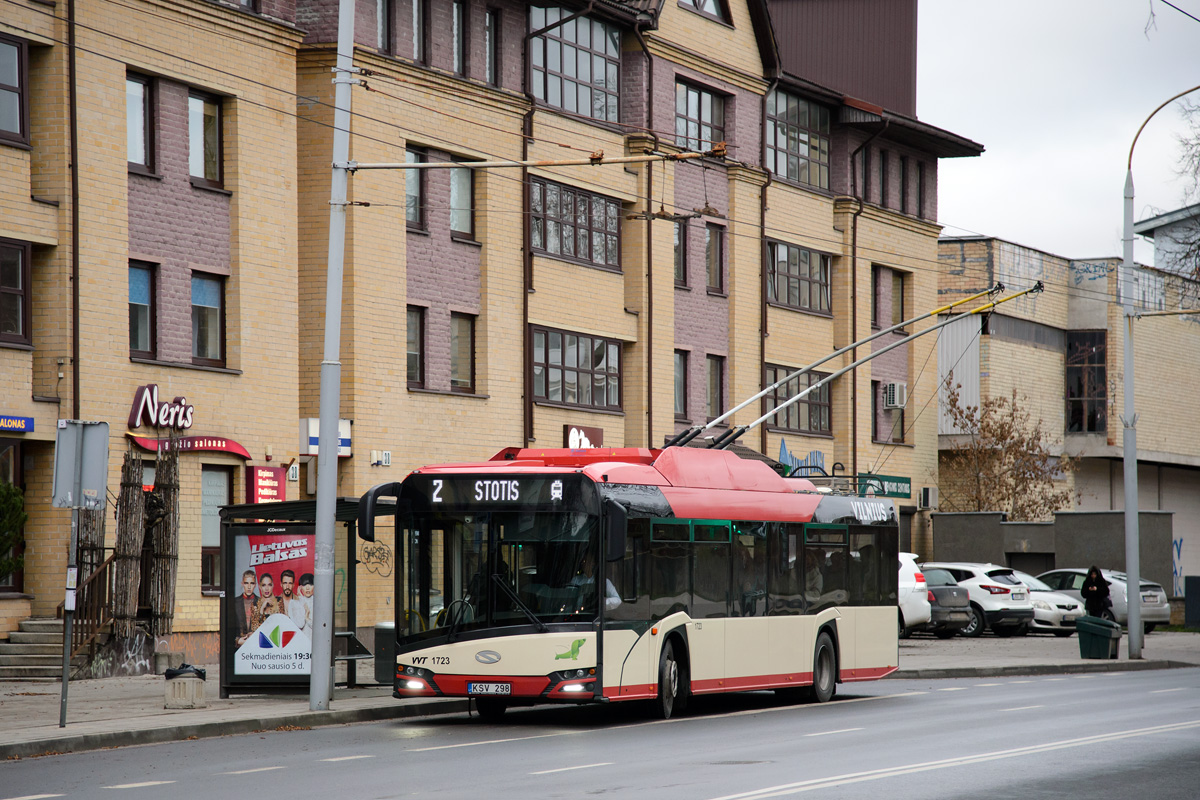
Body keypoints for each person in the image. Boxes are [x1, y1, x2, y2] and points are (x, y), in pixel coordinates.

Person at [233, 569, 258, 646]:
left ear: (255, 585)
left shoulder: (261, 602)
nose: (249, 587)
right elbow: (229, 628)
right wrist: (237, 641)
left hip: (256, 646)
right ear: (242, 584)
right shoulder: (234, 602)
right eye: (246, 583)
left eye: (252, 583)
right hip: (239, 648)